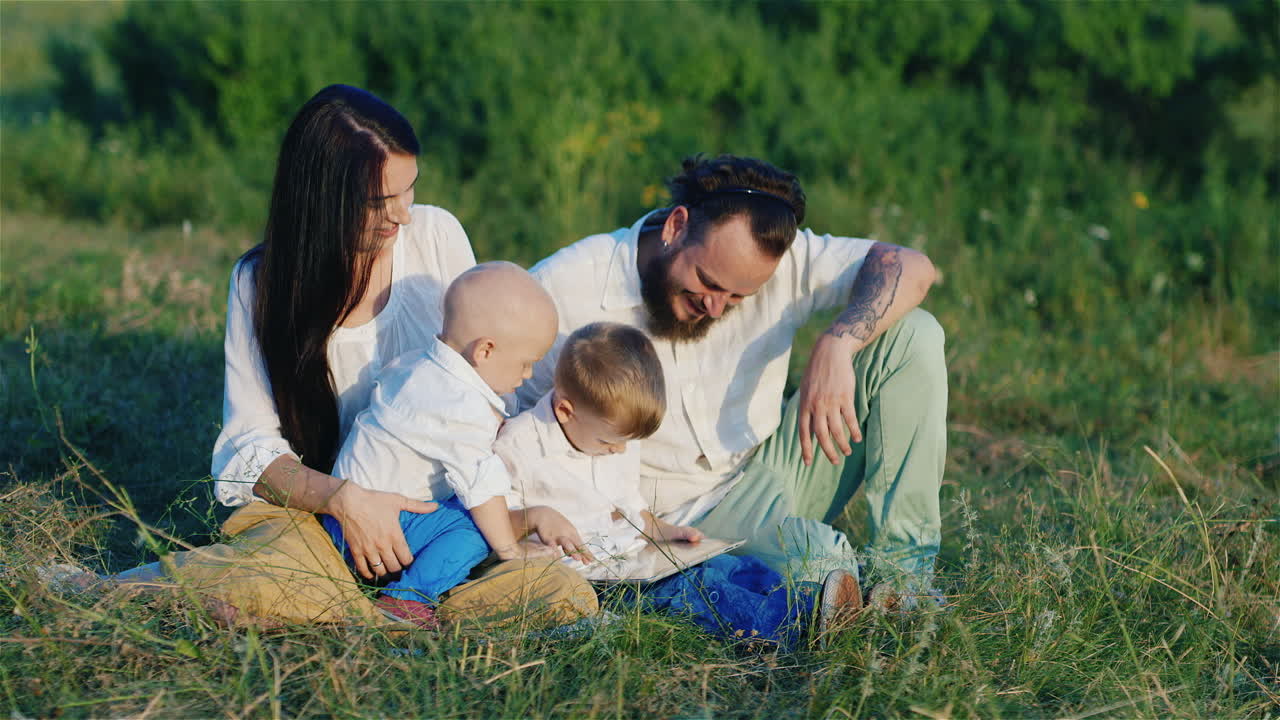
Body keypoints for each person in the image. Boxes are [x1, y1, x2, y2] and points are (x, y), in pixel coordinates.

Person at [106, 85, 596, 628]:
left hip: (435, 519)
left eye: (409, 192)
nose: (403, 216)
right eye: (379, 203)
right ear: (323, 198)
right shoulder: (261, 284)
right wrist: (345, 500)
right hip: (327, 520)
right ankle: (363, 612)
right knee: (278, 559)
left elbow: (480, 378)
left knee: (556, 588)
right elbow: (253, 449)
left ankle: (335, 612)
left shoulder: (436, 238)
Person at [517, 154, 946, 605]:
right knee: (822, 569)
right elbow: (502, 421)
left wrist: (838, 342)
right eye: (708, 282)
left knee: (914, 334)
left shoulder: (779, 257)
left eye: (740, 297)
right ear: (676, 226)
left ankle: (905, 581)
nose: (717, 308)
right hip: (680, 518)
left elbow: (911, 266)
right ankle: (835, 577)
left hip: (779, 459)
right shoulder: (565, 287)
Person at [497, 321, 862, 646]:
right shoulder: (520, 446)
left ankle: (824, 603)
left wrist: (665, 530)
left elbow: (630, 508)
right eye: (611, 443)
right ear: (564, 411)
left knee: (731, 568)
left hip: (640, 558)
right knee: (703, 592)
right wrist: (535, 518)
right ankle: (801, 625)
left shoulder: (606, 432)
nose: (619, 451)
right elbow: (495, 525)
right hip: (603, 581)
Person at [322, 262, 559, 627]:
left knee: (468, 509)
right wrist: (510, 550)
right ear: (485, 351)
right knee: (478, 525)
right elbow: (481, 491)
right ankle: (407, 600)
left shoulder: (415, 364)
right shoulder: (461, 407)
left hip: (343, 516)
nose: (527, 376)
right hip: (376, 534)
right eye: (527, 364)